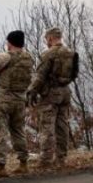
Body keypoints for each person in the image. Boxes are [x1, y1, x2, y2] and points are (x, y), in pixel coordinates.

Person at [0, 30, 33, 177]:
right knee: (18, 130)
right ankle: (23, 163)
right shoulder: (28, 58)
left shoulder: (4, 57)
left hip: (3, 99)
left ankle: (0, 166)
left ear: (9, 43)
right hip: (20, 99)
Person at [28, 27, 77, 168]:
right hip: (65, 92)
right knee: (63, 126)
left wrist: (32, 91)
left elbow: (40, 76)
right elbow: (74, 73)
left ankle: (46, 159)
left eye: (46, 39)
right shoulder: (70, 53)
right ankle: (61, 158)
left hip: (50, 93)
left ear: (50, 38)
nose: (46, 42)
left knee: (47, 126)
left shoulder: (48, 54)